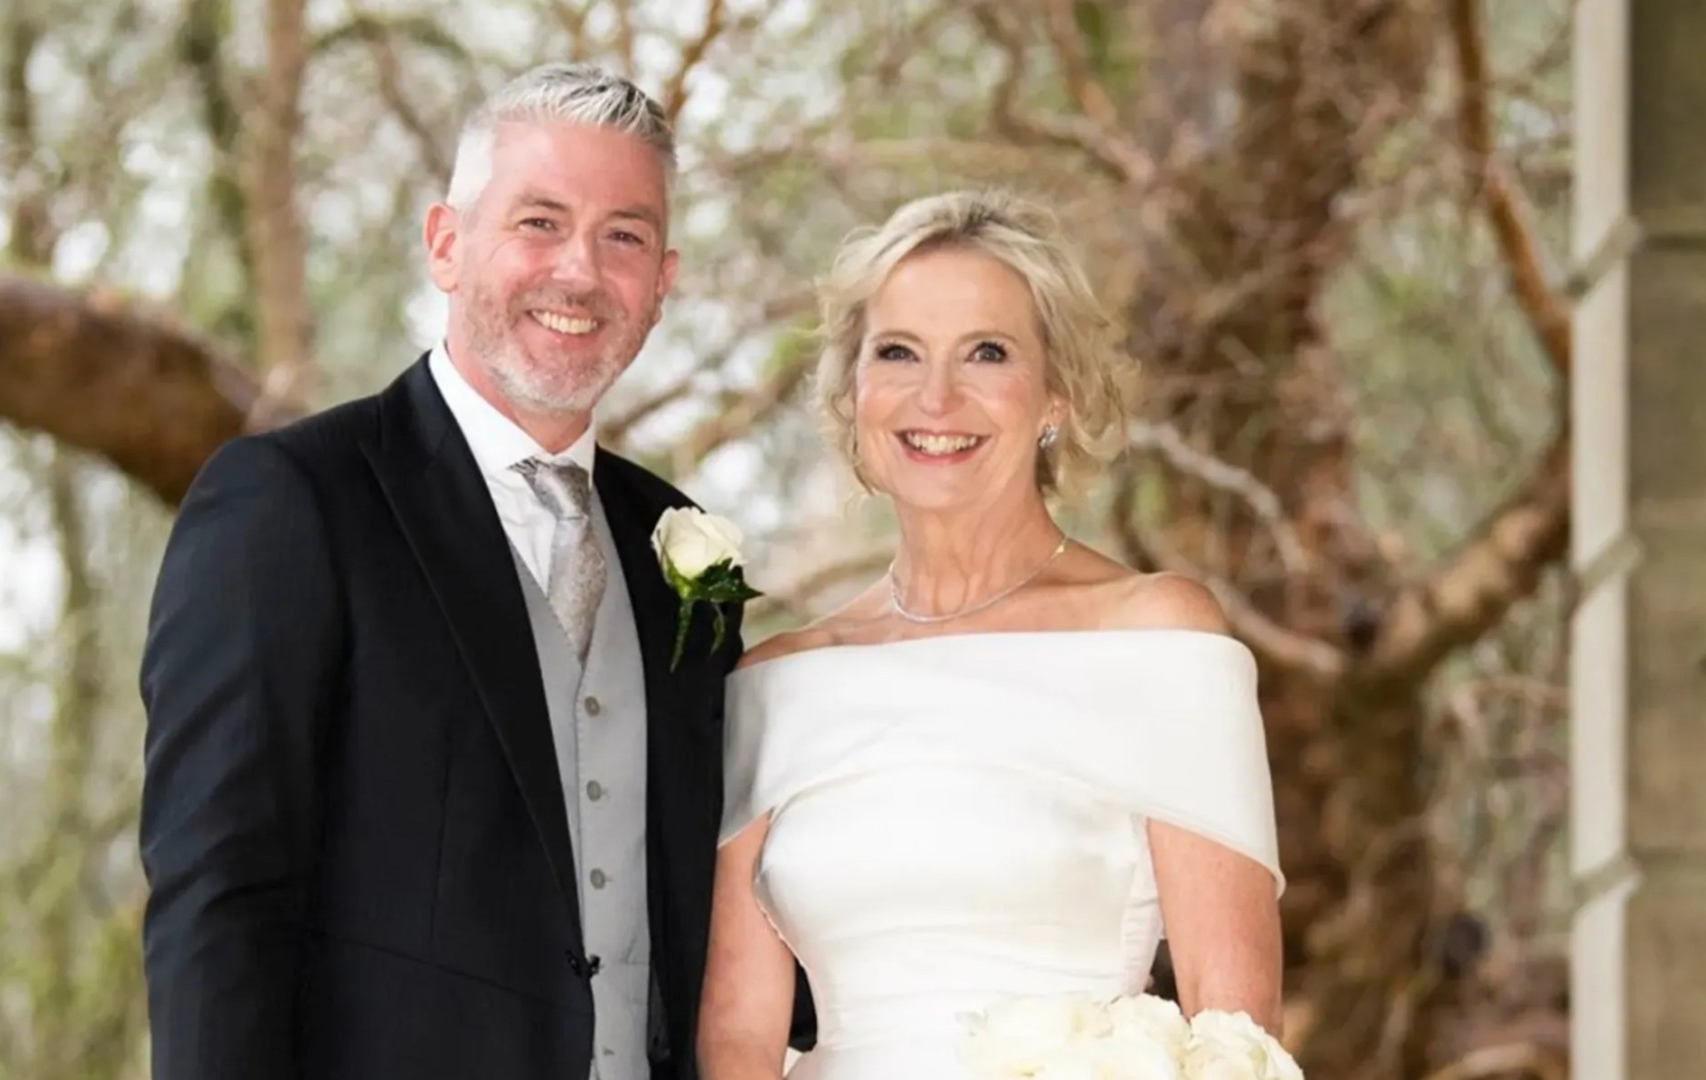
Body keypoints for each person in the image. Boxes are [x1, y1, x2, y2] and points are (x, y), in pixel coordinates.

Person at [139, 63, 743, 1080]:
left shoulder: (679, 542)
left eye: (624, 237)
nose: (580, 272)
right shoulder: (292, 501)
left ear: (663, 282)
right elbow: (218, 896)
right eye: (539, 223)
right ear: (446, 244)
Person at [695, 190, 1287, 1079]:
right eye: (898, 352)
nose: (937, 396)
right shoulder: (777, 681)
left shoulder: (1157, 635)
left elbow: (1236, 1026)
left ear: (1056, 395)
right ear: (854, 393)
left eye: (987, 352)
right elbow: (737, 1038)